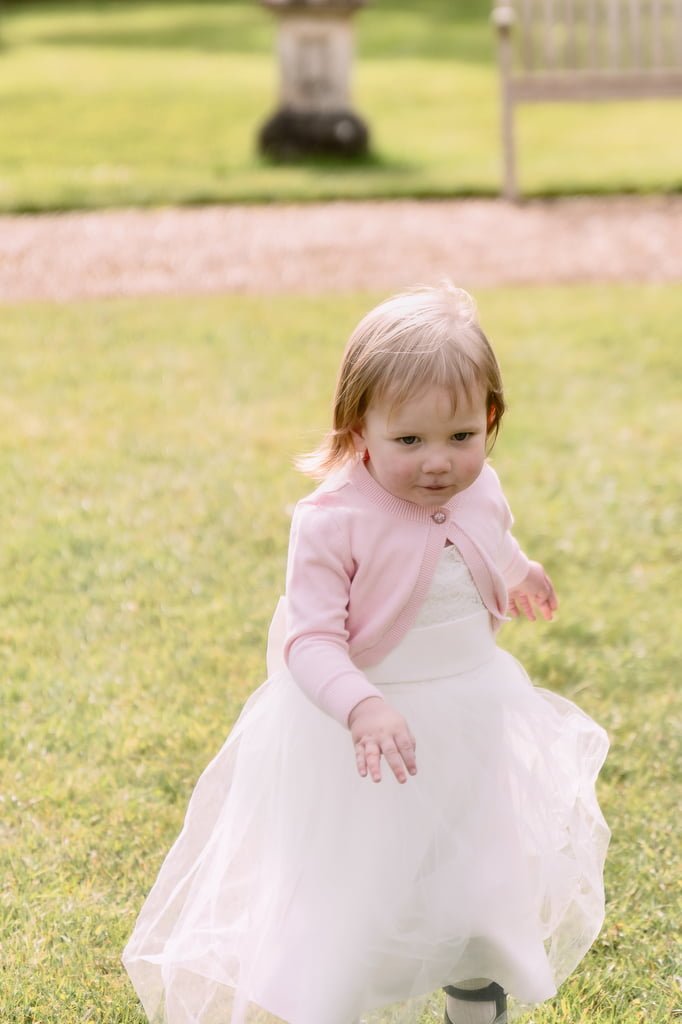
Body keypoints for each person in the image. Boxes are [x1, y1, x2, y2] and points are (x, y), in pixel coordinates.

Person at [123, 283, 610, 1024]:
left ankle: (475, 999)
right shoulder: (332, 521)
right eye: (409, 441)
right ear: (358, 430)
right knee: (357, 900)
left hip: (471, 716)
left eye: (461, 437)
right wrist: (363, 705)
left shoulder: (484, 487)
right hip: (363, 739)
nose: (439, 463)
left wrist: (517, 571)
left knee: (475, 881)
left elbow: (488, 534)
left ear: (491, 418)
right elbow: (310, 639)